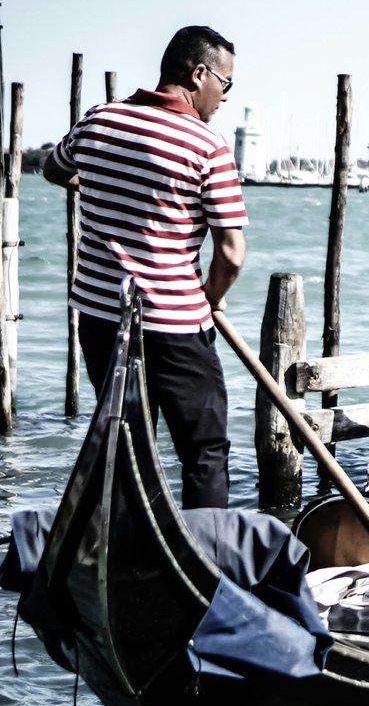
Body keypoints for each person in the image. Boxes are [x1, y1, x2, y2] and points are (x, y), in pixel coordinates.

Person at [43, 25, 247, 510]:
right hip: (174, 326)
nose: (225, 97)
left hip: (100, 319)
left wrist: (92, 187)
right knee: (203, 450)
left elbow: (54, 169)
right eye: (226, 83)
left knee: (129, 447)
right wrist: (211, 298)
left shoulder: (98, 121)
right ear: (199, 74)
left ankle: (132, 559)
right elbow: (232, 253)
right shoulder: (207, 146)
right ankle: (207, 566)